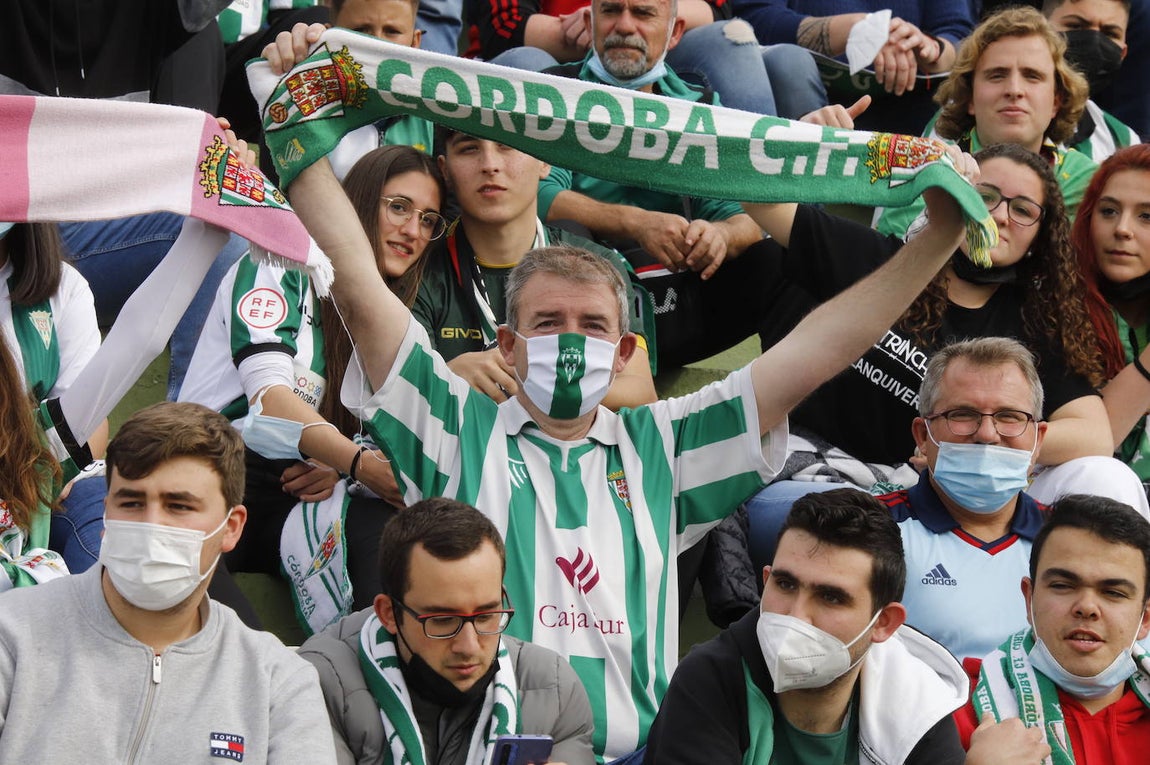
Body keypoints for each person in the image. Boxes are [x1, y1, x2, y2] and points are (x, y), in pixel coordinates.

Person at [268, 42, 979, 751]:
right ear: (507, 347)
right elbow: (357, 284)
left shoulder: (663, 446)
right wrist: (295, 124)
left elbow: (824, 346)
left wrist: (941, 235)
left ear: (626, 352)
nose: (570, 342)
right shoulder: (454, 425)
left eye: (593, 326)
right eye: (547, 323)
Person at [743, 143, 1112, 515]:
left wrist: (971, 443)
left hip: (921, 501)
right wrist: (824, 144)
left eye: (1022, 210)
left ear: (1039, 238)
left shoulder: (1033, 326)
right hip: (801, 474)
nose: (1000, 216)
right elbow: (760, 200)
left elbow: (1094, 435)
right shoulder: (877, 259)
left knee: (1105, 477)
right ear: (953, 196)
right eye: (985, 197)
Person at [179, 145, 445, 618]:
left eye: (428, 220)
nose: (412, 230)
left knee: (398, 563)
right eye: (399, 207)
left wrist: (339, 464)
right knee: (216, 616)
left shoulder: (396, 317)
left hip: (304, 490)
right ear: (356, 202)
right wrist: (355, 461)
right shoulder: (280, 262)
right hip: (215, 469)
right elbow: (270, 399)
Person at [0, 401, 337, 763]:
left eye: (179, 506)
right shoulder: (12, 632)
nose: (151, 525)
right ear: (106, 510)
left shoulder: (277, 682)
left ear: (232, 527)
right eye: (131, 503)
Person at [645, 488, 1051, 764]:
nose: (795, 614)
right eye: (785, 584)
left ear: (885, 624)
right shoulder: (710, 678)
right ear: (764, 579)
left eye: (831, 597)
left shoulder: (919, 704)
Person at [0, 0, 249, 399]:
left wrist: (196, 156)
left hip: (92, 234)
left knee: (217, 217)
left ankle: (192, 439)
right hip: (13, 233)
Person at [536, 0, 786, 369]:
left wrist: (719, 235)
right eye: (611, 11)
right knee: (561, 233)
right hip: (590, 310)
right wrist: (637, 223)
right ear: (590, 23)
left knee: (779, 259)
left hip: (680, 304)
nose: (624, 25)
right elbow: (539, 198)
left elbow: (746, 216)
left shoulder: (700, 105)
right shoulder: (553, 90)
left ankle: (791, 411)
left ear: (676, 32)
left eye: (642, 13)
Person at [299, 497, 595, 764]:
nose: (468, 646)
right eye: (442, 620)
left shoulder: (554, 689)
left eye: (486, 615)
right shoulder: (316, 684)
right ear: (389, 613)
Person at [413, 128, 656, 408]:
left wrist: (530, 383)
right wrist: (446, 379)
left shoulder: (597, 264)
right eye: (469, 148)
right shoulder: (420, 266)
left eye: (508, 145)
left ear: (544, 160)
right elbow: (399, 398)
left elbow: (640, 392)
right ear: (445, 170)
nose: (490, 164)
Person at [874, 6, 1098, 237]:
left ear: (1056, 102)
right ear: (968, 97)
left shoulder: (1091, 185)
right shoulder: (920, 173)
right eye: (997, 75)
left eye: (1032, 76)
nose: (1014, 90)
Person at [956, 494, 1150, 761]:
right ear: (1029, 599)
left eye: (1113, 592)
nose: (1087, 607)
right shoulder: (953, 711)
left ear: (1146, 618)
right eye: (1063, 585)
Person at [478, 0, 827, 120]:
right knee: (525, 62)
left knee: (731, 37)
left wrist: (637, 20)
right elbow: (505, 28)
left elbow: (717, 7)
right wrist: (606, 24)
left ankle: (756, 200)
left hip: (661, 53)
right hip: (554, 55)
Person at [0, 222, 106, 572]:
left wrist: (41, 481)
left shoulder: (63, 286)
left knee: (109, 532)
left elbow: (89, 422)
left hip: (43, 478)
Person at [729, 0, 974, 134]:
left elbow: (961, 35)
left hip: (910, 98)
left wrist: (929, 47)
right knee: (787, 61)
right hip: (802, 96)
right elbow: (752, 18)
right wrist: (860, 29)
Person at [1076, 144, 1150, 488]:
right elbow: (1090, 447)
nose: (1122, 229)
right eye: (1108, 211)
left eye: (1146, 216)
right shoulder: (1051, 306)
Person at [1047, 0, 1141, 161]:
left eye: (1109, 33)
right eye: (1076, 26)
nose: (1094, 41)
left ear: (1122, 54)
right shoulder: (1002, 116)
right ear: (1043, 32)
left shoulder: (1123, 140)